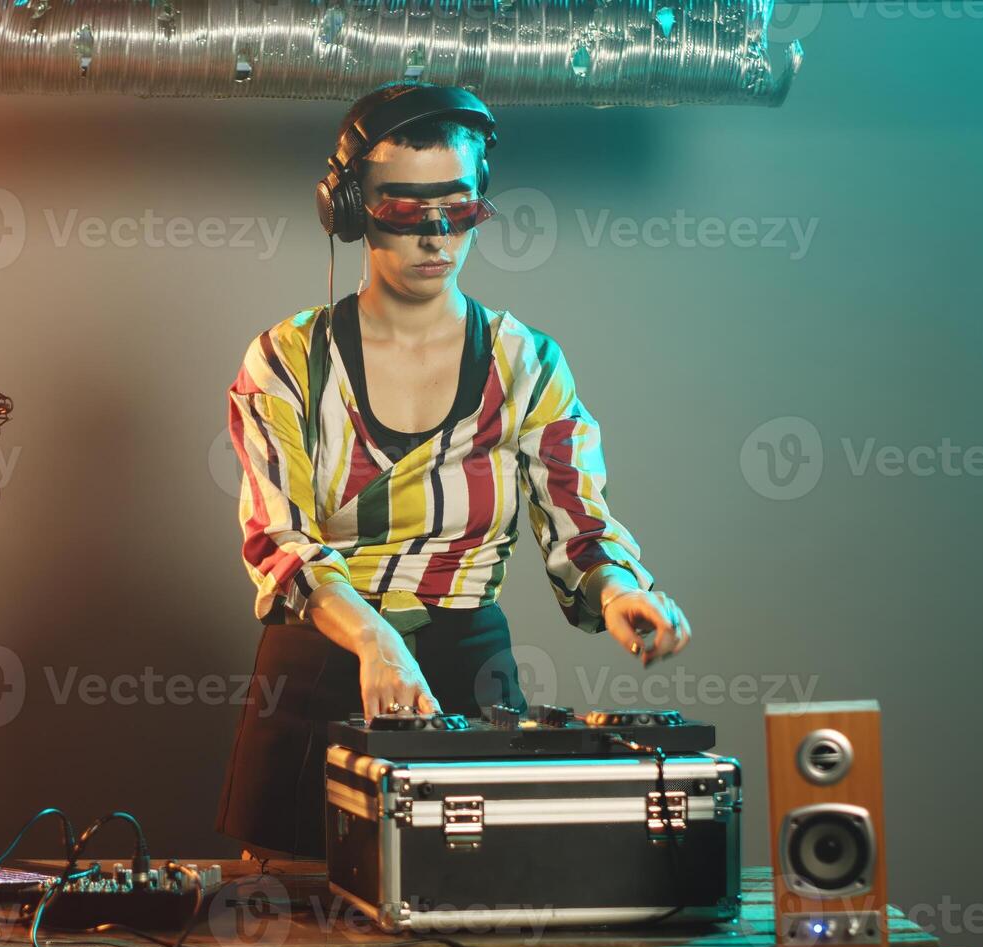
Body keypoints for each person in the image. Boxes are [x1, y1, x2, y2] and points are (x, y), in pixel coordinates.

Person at [215, 81, 693, 859]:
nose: (436, 234)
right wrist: (372, 642)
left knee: (478, 914)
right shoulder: (284, 360)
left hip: (466, 672)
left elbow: (579, 524)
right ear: (349, 208)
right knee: (283, 933)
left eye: (460, 208)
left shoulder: (528, 362)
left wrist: (619, 591)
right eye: (406, 211)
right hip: (320, 668)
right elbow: (279, 539)